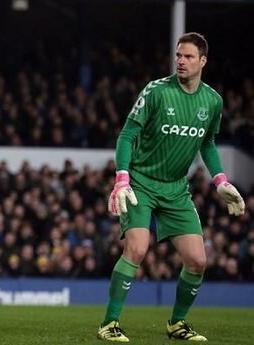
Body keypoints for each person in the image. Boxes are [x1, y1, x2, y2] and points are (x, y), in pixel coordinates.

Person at [98, 32, 245, 342]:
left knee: (197, 260)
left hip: (177, 190)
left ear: (202, 61)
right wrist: (122, 178)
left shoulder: (212, 101)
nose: (181, 60)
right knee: (137, 247)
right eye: (178, 55)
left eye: (188, 56)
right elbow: (127, 135)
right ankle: (109, 324)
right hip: (141, 183)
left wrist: (220, 181)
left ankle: (176, 324)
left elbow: (208, 143)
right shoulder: (156, 91)